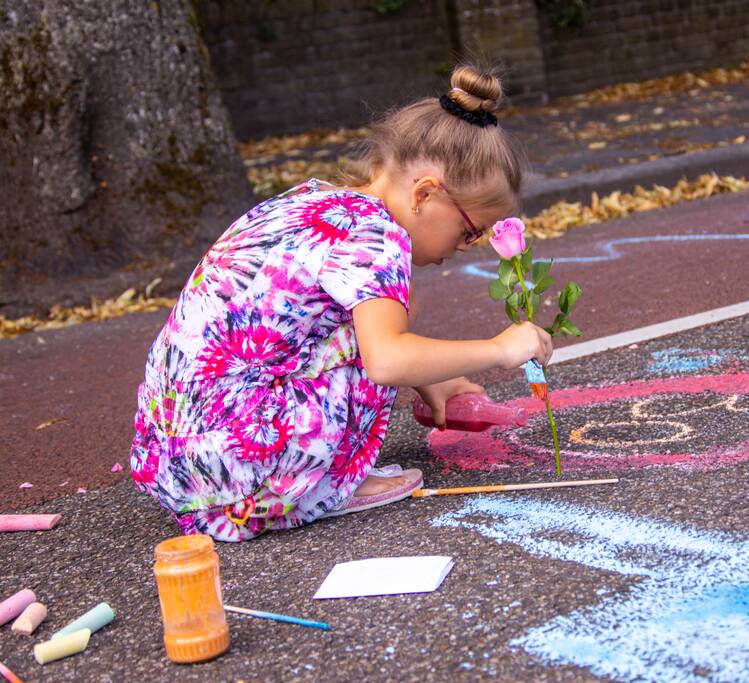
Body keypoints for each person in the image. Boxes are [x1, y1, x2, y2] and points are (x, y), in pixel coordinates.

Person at [130, 64, 552, 541]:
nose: (465, 246)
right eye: (468, 231)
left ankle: (286, 477)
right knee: (387, 337)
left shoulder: (315, 201)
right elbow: (388, 359)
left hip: (178, 455)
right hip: (238, 466)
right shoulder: (379, 238)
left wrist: (435, 376)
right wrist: (499, 348)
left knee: (380, 316)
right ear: (425, 193)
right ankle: (324, 487)